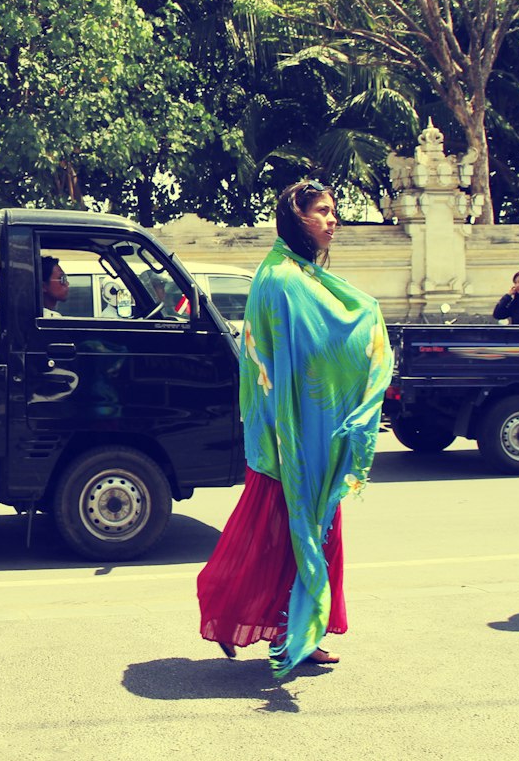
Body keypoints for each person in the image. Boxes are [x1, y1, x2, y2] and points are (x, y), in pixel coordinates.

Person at [196, 180, 391, 677]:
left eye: (333, 211)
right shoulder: (285, 279)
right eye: (322, 211)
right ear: (295, 217)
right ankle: (242, 615)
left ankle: (298, 630)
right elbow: (316, 346)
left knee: (290, 534)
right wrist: (368, 327)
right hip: (292, 435)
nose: (332, 220)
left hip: (296, 432)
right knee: (285, 533)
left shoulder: (291, 273)